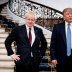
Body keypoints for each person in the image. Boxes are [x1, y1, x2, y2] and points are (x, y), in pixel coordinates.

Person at [50, 8, 72, 72]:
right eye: (68, 14)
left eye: (71, 14)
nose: (70, 15)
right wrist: (53, 58)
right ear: (64, 17)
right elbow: (53, 44)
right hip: (61, 60)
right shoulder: (57, 27)